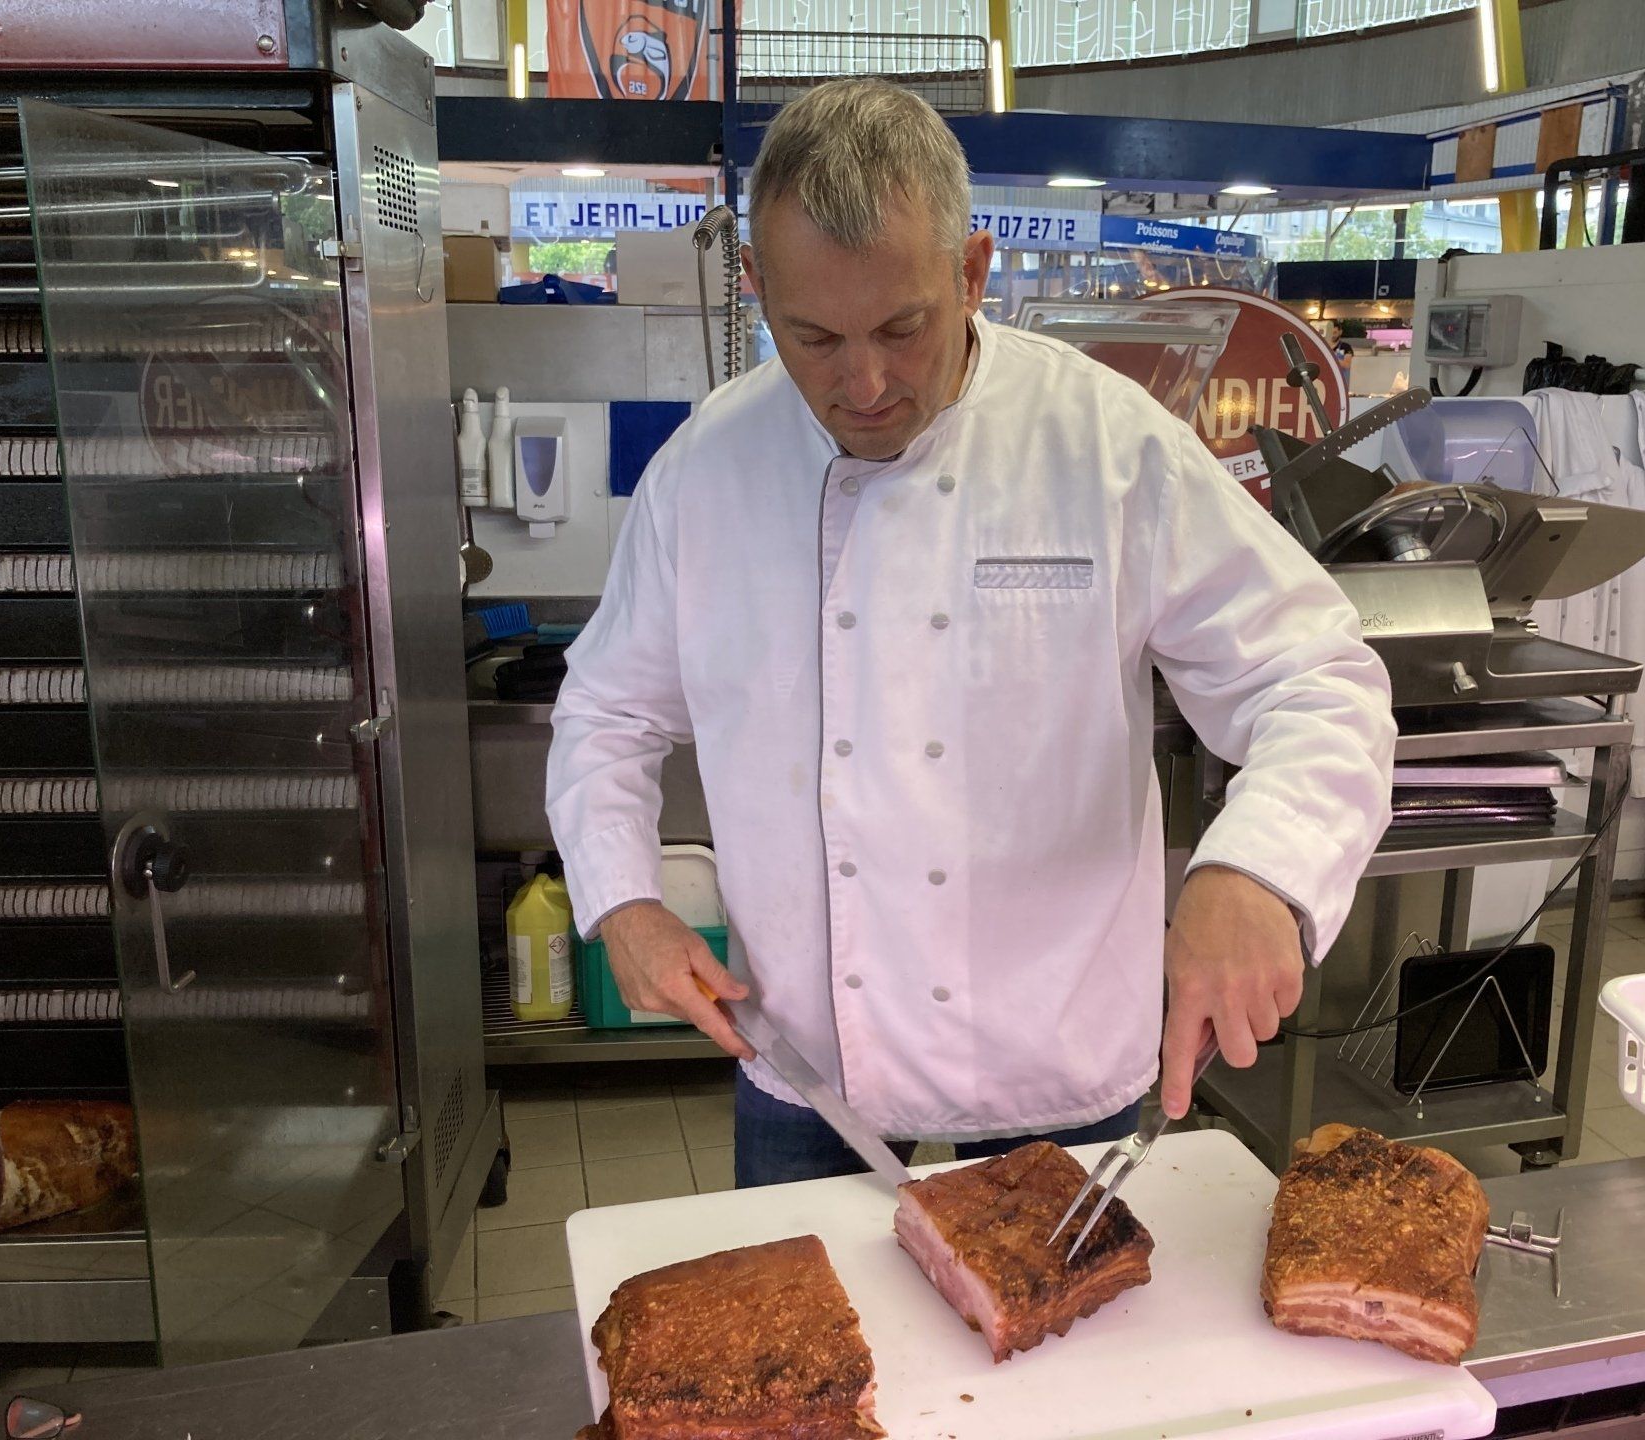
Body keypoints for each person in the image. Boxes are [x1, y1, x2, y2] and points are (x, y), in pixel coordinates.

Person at [546, 79, 1395, 1188]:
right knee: (812, 1354)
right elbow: (607, 711)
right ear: (757, 290)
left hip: (1059, 1048)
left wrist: (1258, 874)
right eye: (813, 337)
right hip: (808, 1049)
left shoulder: (1105, 446)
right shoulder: (708, 467)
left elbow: (1317, 674)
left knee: (1072, 1351)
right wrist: (624, 901)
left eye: (903, 327)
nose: (864, 383)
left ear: (973, 271)